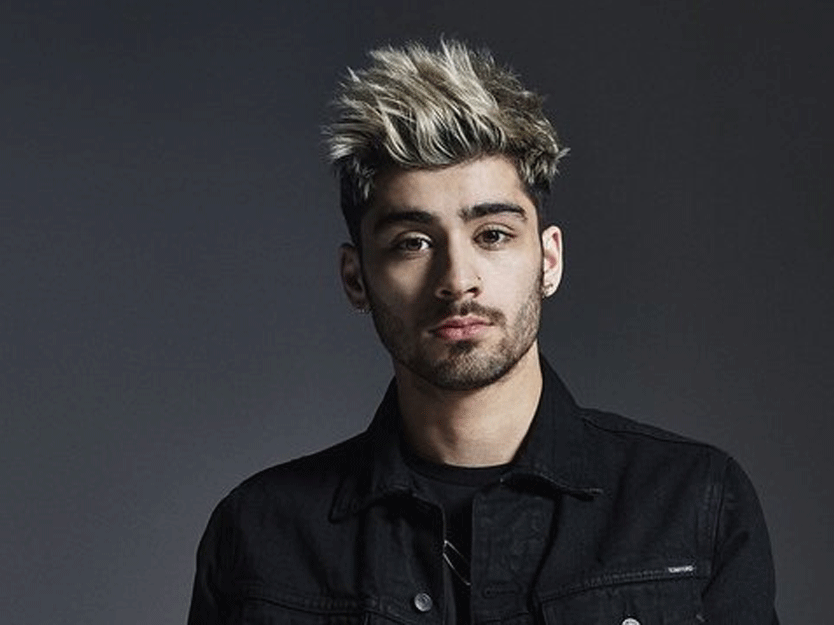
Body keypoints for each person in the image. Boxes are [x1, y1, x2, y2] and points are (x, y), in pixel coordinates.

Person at [188, 40, 779, 624]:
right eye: (412, 243)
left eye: (492, 235)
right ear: (356, 278)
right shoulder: (259, 536)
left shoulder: (693, 502)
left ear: (549, 260)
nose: (457, 279)